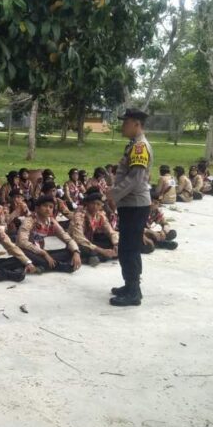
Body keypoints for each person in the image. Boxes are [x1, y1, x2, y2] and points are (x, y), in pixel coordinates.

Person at [107, 108, 153, 307]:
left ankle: (134, 292)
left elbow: (135, 180)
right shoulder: (134, 145)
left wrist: (113, 195)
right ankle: (130, 285)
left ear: (136, 124)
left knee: (130, 248)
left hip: (135, 204)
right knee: (127, 247)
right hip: (131, 204)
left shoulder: (140, 147)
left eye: (126, 122)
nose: (122, 126)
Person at [16, 196, 82, 273]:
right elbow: (22, 242)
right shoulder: (29, 221)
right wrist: (44, 253)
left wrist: (76, 252)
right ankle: (59, 266)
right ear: (37, 208)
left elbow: (66, 237)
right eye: (45, 206)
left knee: (70, 252)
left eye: (51, 207)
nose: (48, 209)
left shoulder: (51, 222)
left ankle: (40, 267)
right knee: (28, 257)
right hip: (27, 251)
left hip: (40, 253)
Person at [69, 191, 118, 265]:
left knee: (117, 243)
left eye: (98, 204)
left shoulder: (100, 215)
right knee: (85, 249)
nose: (95, 206)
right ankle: (97, 257)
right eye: (92, 203)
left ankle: (96, 257)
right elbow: (79, 238)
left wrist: (116, 244)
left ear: (101, 206)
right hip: (79, 244)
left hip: (90, 242)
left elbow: (111, 231)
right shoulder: (80, 216)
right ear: (87, 204)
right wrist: (102, 251)